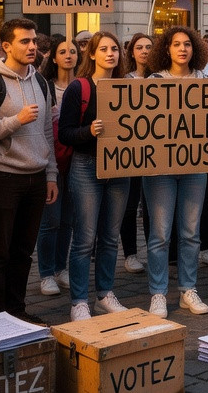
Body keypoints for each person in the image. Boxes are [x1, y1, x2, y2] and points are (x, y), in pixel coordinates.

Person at [0, 19, 58, 322]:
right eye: (24, 41)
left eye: (34, 41)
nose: (32, 46)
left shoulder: (41, 82)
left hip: (36, 177)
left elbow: (47, 132)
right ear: (6, 46)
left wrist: (51, 175)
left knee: (22, 252)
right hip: (3, 176)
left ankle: (16, 311)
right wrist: (15, 120)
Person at [59, 31, 130, 321]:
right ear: (92, 54)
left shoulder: (128, 87)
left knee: (111, 238)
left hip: (120, 168)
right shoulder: (79, 88)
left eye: (114, 49)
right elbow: (64, 133)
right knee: (85, 239)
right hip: (87, 167)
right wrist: (89, 131)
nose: (110, 54)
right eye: (104, 49)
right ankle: (79, 301)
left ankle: (104, 294)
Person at [142, 26, 208, 317]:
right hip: (159, 169)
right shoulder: (153, 81)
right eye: (176, 44)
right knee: (159, 234)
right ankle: (158, 293)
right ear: (166, 49)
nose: (182, 49)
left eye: (187, 44)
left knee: (191, 233)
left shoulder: (206, 80)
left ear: (195, 49)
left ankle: (188, 289)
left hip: (196, 165)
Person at [35, 36, 77, 296]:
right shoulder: (45, 86)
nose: (69, 55)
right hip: (50, 157)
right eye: (63, 51)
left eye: (73, 51)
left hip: (76, 159)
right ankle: (46, 273)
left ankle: (61, 268)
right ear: (54, 57)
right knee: (50, 219)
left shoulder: (83, 85)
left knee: (68, 220)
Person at [118, 33, 153, 274]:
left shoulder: (161, 78)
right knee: (129, 205)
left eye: (149, 47)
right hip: (130, 151)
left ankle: (154, 250)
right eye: (139, 47)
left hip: (156, 150)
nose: (144, 51)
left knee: (152, 205)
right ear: (131, 52)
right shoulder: (123, 79)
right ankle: (130, 253)